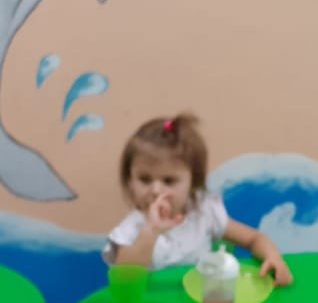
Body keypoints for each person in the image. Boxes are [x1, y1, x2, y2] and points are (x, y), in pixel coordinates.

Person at [104, 114, 293, 284]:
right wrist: (151, 232)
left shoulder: (204, 213)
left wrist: (273, 258)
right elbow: (124, 276)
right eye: (145, 179)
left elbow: (253, 238)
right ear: (129, 181)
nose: (155, 190)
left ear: (193, 182)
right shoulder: (132, 229)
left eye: (169, 181)